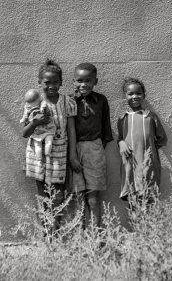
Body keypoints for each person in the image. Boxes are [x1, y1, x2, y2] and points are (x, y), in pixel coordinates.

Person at [22, 58, 77, 233]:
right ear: (39, 82)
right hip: (37, 155)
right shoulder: (32, 104)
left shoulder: (68, 102)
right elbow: (25, 133)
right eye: (47, 82)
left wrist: (73, 155)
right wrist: (35, 122)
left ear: (61, 82)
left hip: (59, 153)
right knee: (42, 195)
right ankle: (46, 233)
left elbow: (72, 131)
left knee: (58, 194)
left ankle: (55, 232)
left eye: (56, 82)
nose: (51, 86)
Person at [69, 62, 113, 228]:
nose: (84, 84)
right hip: (74, 150)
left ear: (96, 81)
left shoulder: (101, 100)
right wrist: (72, 154)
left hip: (95, 150)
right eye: (79, 80)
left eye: (88, 80)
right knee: (79, 199)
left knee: (93, 199)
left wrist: (96, 148)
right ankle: (81, 241)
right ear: (74, 81)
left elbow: (106, 130)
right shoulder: (70, 101)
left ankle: (96, 240)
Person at [117, 77, 168, 208]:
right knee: (132, 197)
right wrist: (121, 142)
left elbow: (162, 139)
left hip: (148, 163)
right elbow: (120, 137)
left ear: (144, 95)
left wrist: (149, 150)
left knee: (148, 195)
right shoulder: (122, 118)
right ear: (125, 96)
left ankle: (149, 227)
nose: (135, 96)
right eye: (130, 94)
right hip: (129, 164)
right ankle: (135, 227)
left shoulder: (150, 116)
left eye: (138, 93)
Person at [20, 89, 56, 159]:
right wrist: (25, 120)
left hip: (38, 130)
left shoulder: (30, 106)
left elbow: (26, 114)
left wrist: (23, 119)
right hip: (47, 128)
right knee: (48, 141)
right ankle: (46, 153)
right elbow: (43, 106)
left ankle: (40, 156)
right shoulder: (41, 101)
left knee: (38, 144)